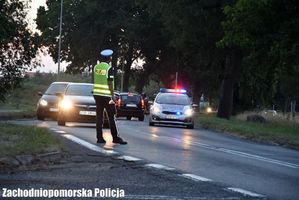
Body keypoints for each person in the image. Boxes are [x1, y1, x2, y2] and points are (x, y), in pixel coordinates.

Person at [93, 49, 127, 145]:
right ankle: (115, 137)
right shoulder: (109, 69)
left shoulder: (96, 67)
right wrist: (113, 96)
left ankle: (99, 138)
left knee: (99, 117)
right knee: (111, 116)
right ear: (109, 59)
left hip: (97, 95)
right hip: (107, 96)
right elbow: (110, 83)